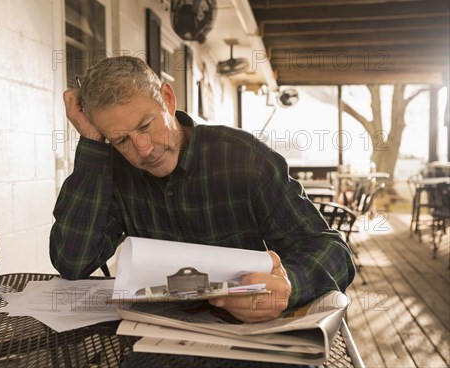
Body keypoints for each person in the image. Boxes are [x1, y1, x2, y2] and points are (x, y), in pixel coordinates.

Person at [50, 56, 355, 323]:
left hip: (249, 337)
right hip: (159, 340)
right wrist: (92, 144)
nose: (143, 150)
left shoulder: (244, 157)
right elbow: (73, 262)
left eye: (145, 126)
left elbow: (333, 252)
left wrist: (289, 286)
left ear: (168, 100)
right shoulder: (115, 171)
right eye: (121, 140)